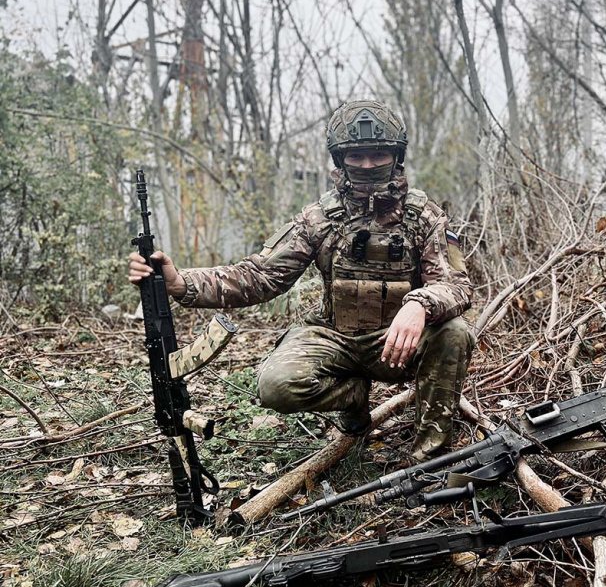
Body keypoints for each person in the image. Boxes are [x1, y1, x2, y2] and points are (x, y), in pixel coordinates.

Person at [129, 100, 474, 461]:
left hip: (395, 344)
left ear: (396, 156)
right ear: (340, 160)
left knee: (455, 332)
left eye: (378, 155)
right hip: (334, 336)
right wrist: (180, 282)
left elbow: (456, 285)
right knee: (276, 385)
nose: (368, 165)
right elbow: (260, 275)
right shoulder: (320, 217)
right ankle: (354, 396)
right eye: (356, 156)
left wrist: (420, 303)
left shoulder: (424, 216)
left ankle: (428, 458)